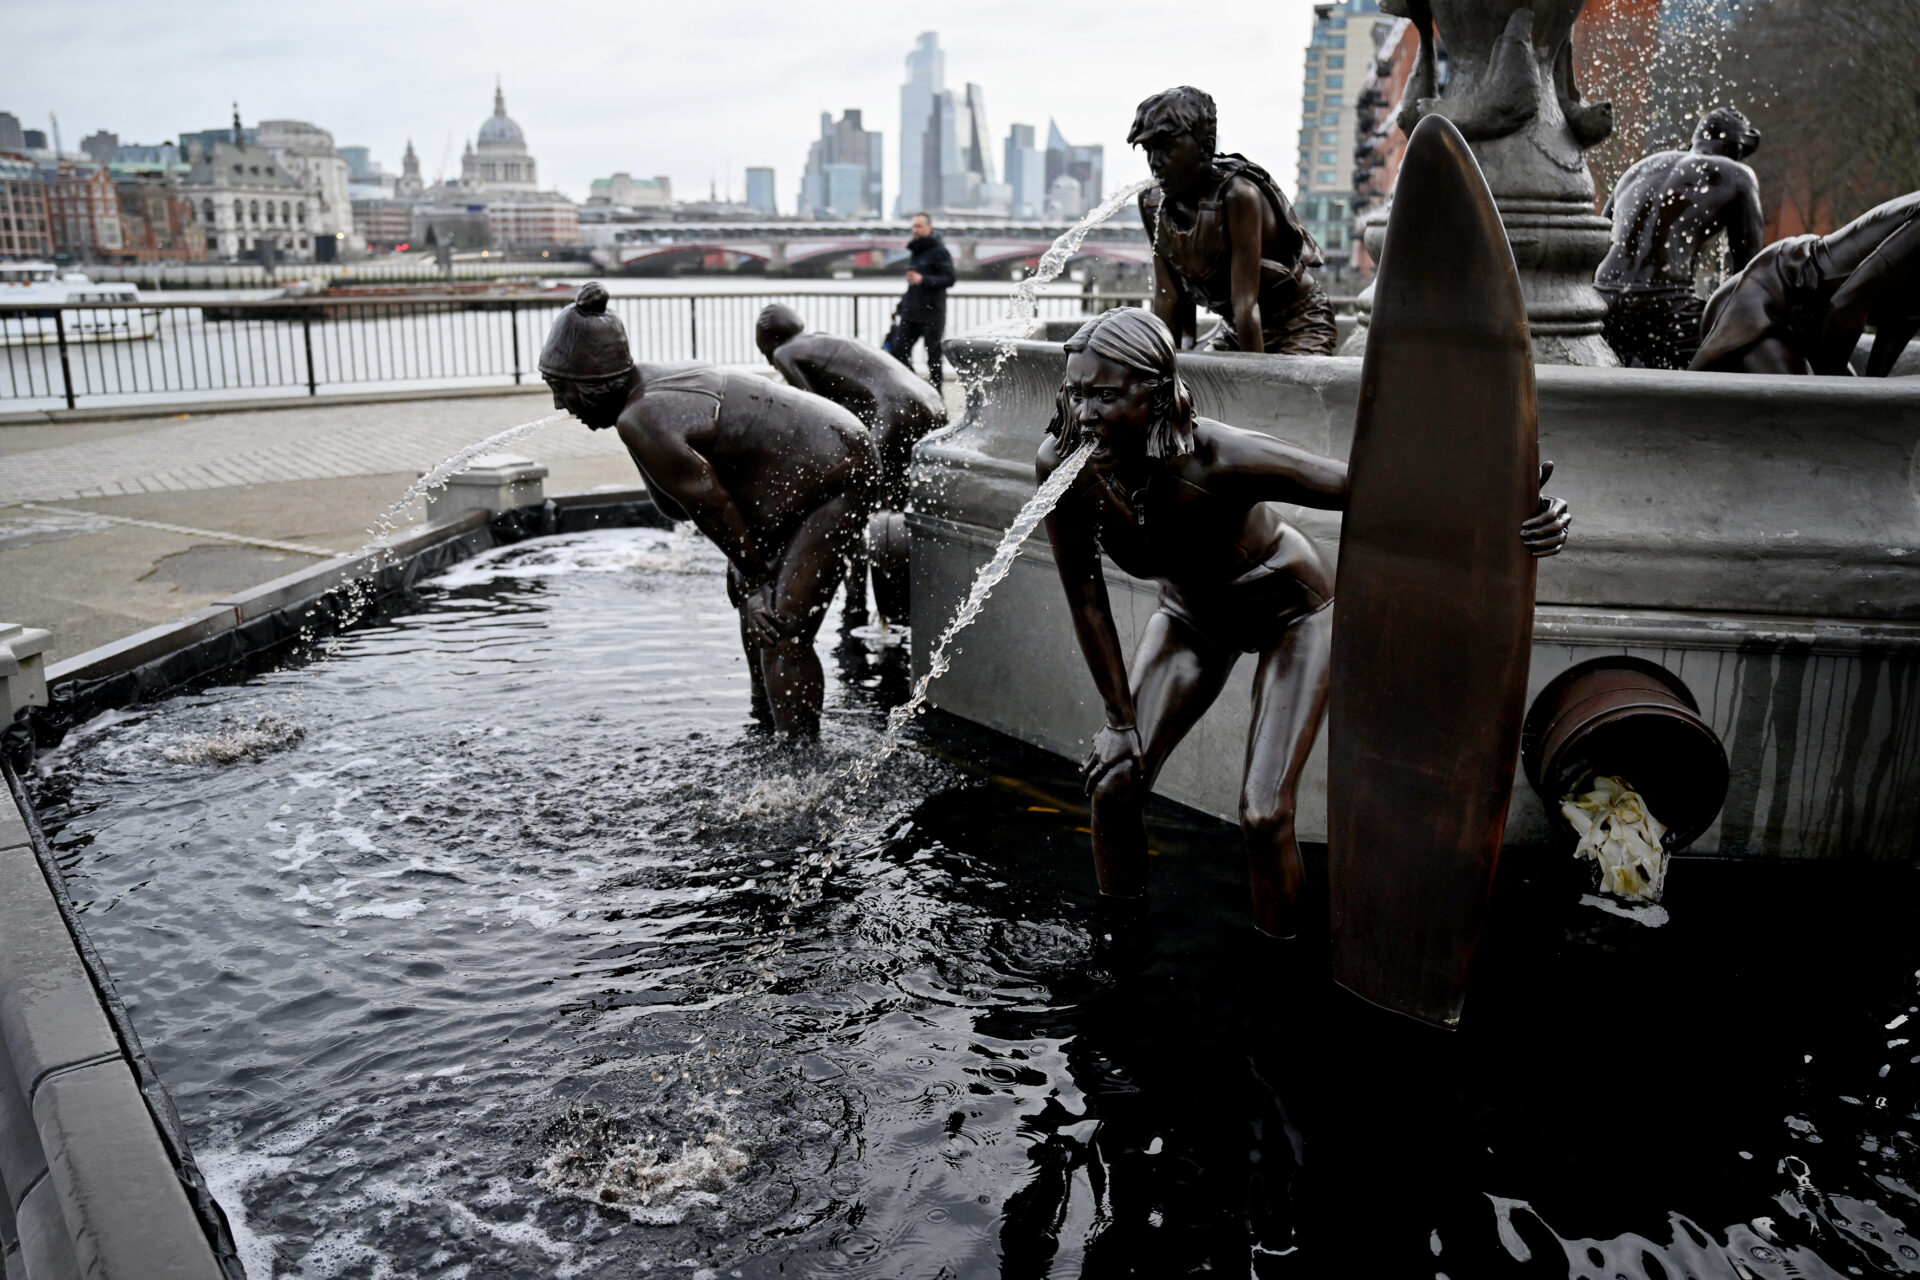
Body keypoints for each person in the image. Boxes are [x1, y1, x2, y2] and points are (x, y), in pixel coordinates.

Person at [1037, 309, 1569, 937]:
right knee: (1115, 783)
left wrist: (1510, 501)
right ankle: (1117, 954)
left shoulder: (1218, 457)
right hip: (1190, 617)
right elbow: (1086, 595)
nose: (1084, 411)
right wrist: (1119, 722)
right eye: (1074, 391)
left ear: (1153, 392)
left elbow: (1370, 489)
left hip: (1293, 612)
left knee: (1263, 814)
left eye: (1104, 394)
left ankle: (1279, 979)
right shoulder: (1062, 466)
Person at [540, 283, 877, 737]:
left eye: (562, 389)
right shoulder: (643, 393)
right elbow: (698, 502)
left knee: (781, 624)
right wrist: (749, 573)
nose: (560, 405)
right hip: (813, 463)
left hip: (839, 470)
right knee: (749, 598)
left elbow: (710, 502)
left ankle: (802, 765)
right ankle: (765, 723)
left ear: (595, 382)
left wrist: (757, 578)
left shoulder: (643, 418)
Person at [1129, 86, 1337, 355]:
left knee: (1279, 394)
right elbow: (1168, 297)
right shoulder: (1153, 201)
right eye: (1148, 150)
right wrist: (1164, 368)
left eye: (1166, 147)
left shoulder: (1237, 195)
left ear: (1205, 148)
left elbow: (1245, 304)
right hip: (1236, 330)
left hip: (1298, 323)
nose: (1154, 163)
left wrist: (1252, 381)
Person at [1595, 107, 1764, 370]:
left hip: (1604, 302)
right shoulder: (1737, 174)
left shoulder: (1639, 168)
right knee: (1739, 360)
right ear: (1737, 149)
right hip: (1665, 309)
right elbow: (1749, 272)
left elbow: (1597, 242)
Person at [1691, 189, 1920, 377]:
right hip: (1764, 303)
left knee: (1841, 421)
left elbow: (1902, 321)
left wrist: (1874, 391)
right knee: (1810, 418)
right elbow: (1846, 306)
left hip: (1811, 323)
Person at [756, 302, 947, 510]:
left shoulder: (784, 351)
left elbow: (815, 411)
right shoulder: (822, 339)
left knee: (861, 485)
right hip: (929, 399)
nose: (769, 363)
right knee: (907, 487)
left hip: (896, 407)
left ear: (770, 340)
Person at [894, 212, 955, 388]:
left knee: (933, 358)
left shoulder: (939, 251)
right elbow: (912, 285)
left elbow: (950, 279)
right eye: (913, 226)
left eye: (919, 226)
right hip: (911, 312)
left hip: (932, 313)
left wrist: (924, 279)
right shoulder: (915, 250)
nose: (915, 230)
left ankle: (936, 394)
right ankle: (916, 387)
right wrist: (900, 305)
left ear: (929, 228)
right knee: (899, 353)